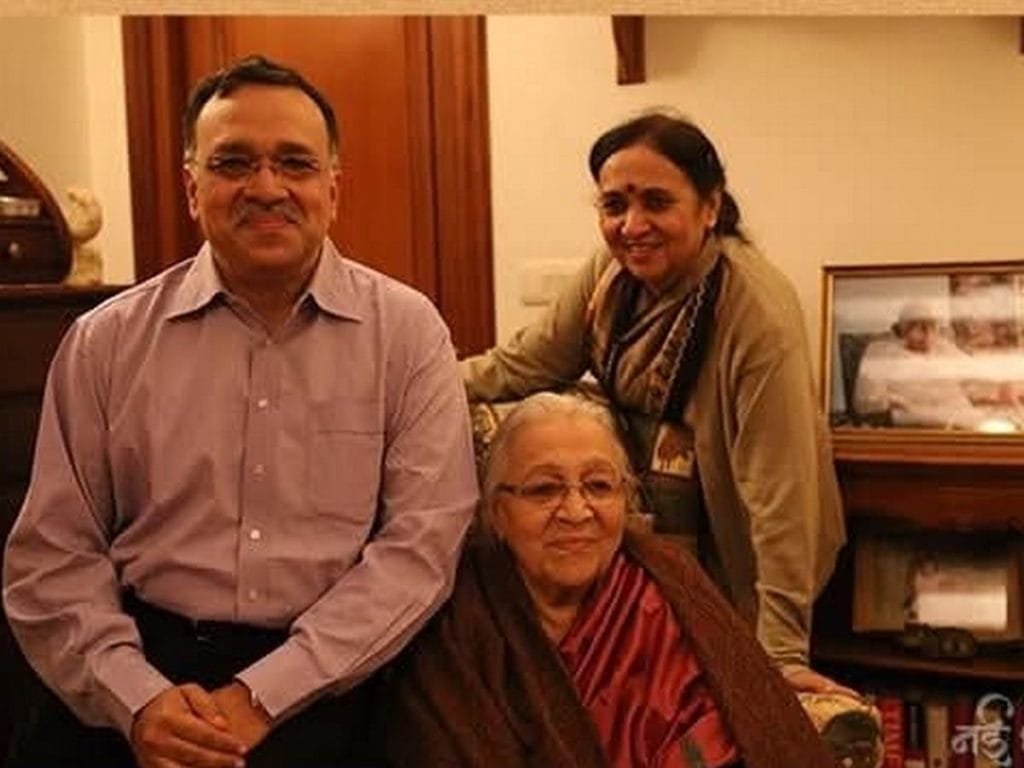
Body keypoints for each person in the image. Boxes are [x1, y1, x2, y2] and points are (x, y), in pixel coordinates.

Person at [2, 55, 478, 768]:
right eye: (233, 163)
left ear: (332, 189)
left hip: (331, 684)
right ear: (192, 188)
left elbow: (421, 551)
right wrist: (138, 701)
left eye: (295, 163)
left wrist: (264, 695)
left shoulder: (408, 335)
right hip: (135, 673)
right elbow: (52, 555)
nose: (266, 187)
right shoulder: (105, 342)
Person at [461, 112, 847, 694]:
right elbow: (525, 364)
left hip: (742, 561)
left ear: (710, 207)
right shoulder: (609, 272)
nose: (632, 225)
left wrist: (781, 653)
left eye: (657, 203)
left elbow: (781, 495)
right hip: (646, 543)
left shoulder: (758, 315)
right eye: (614, 205)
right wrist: (413, 387)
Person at [380, 392, 836, 767]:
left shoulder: (667, 586)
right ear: (497, 512)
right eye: (544, 489)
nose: (576, 512)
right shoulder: (458, 622)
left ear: (626, 500)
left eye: (599, 486)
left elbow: (735, 721)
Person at [853, 301, 994, 429]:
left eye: (932, 326)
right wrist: (893, 401)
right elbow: (866, 401)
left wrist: (993, 390)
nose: (927, 333)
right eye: (918, 327)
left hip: (959, 414)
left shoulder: (944, 347)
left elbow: (975, 376)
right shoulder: (880, 352)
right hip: (913, 417)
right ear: (901, 330)